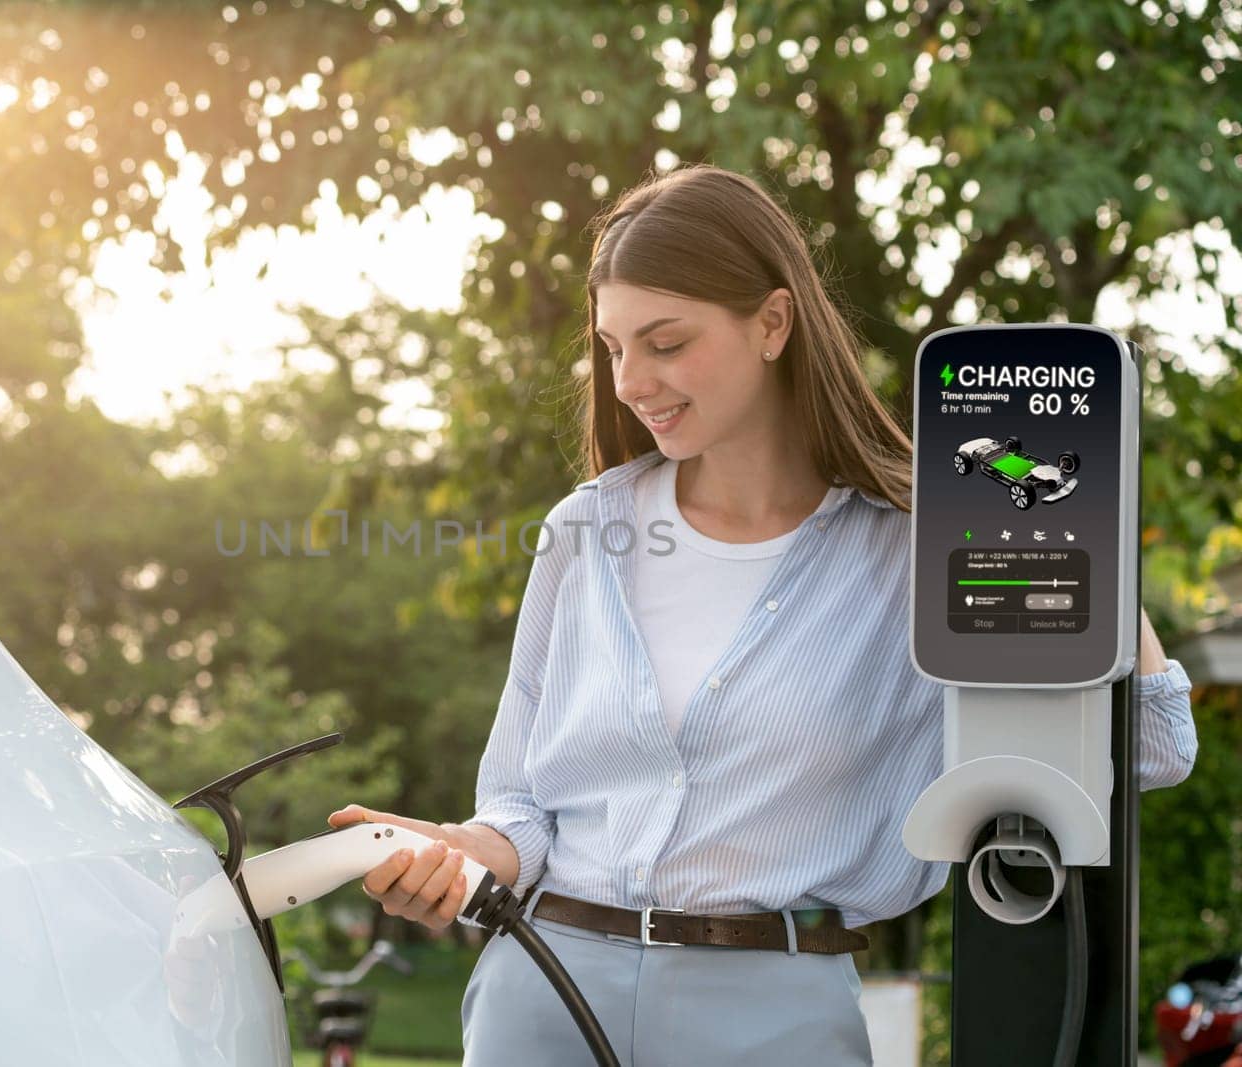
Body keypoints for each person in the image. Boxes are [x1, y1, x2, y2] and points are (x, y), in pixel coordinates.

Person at [327, 164, 1198, 1064]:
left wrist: (1062, 523)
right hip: (540, 991)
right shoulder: (587, 527)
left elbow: (1154, 746)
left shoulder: (918, 550)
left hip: (773, 1015)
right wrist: (453, 851)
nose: (629, 381)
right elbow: (521, 808)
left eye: (665, 342)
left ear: (773, 323)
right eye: (615, 347)